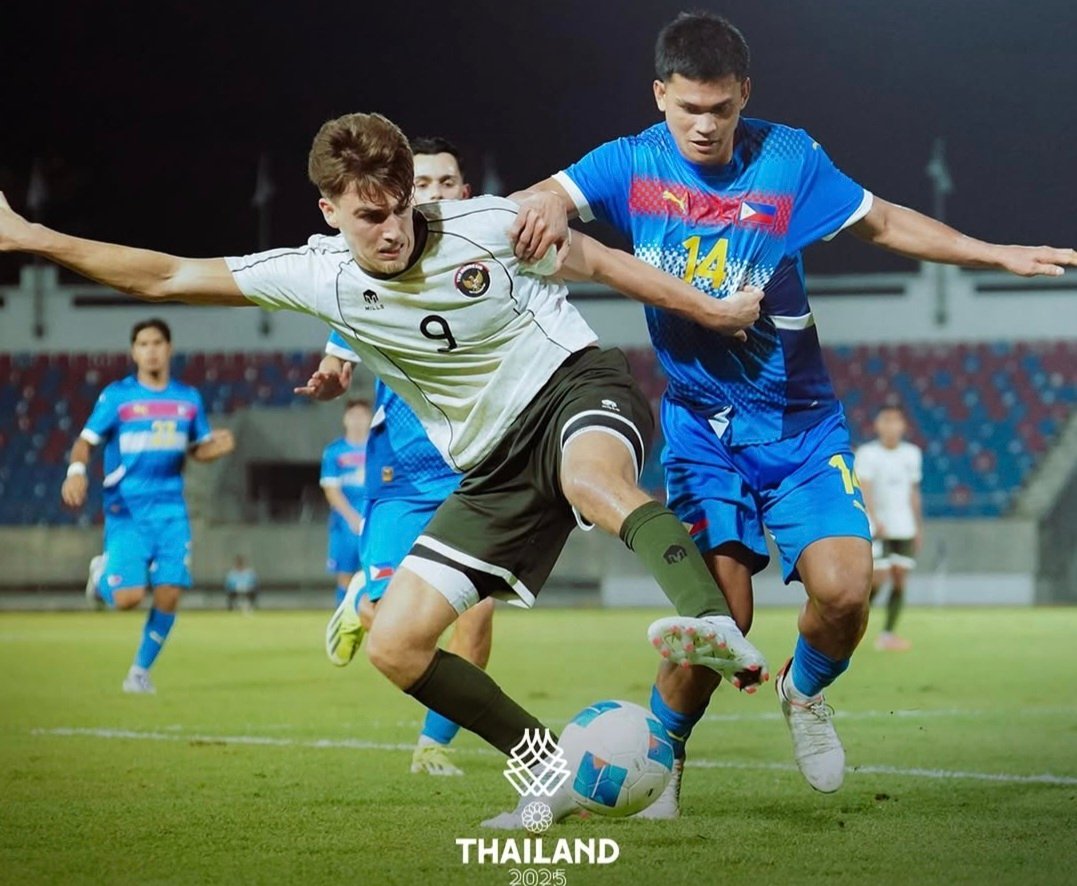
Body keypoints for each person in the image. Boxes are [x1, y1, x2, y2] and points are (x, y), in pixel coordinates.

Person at [0, 110, 769, 827]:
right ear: (330, 210)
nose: (394, 228)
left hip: (574, 386)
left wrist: (710, 310)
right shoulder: (317, 274)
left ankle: (706, 621)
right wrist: (35, 238)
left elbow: (600, 259)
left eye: (401, 206)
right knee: (394, 644)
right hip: (491, 463)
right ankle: (546, 769)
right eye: (371, 215)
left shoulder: (488, 224)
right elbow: (166, 277)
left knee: (591, 480)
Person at [509, 10, 1077, 808]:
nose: (704, 127)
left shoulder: (788, 157)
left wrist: (994, 252)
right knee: (721, 611)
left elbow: (880, 221)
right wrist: (538, 205)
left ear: (744, 93)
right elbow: (544, 197)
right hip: (703, 429)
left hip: (800, 424)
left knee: (847, 589)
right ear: (659, 94)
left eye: (721, 109)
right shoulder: (627, 163)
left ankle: (802, 695)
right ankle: (661, 756)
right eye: (688, 109)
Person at [308, 137, 495, 777]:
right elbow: (341, 339)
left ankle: (433, 747)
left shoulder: (489, 266)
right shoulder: (378, 272)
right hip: (404, 472)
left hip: (476, 474)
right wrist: (333, 367)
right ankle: (363, 594)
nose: (438, 193)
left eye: (449, 182)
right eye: (426, 184)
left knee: (477, 618)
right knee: (393, 621)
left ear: (466, 194)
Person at [61, 318, 235, 693]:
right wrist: (76, 471)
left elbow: (196, 449)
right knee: (127, 599)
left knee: (170, 592)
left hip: (171, 508)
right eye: (143, 343)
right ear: (133, 352)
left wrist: (214, 449)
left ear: (169, 348)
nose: (151, 349)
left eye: (157, 342)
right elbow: (84, 442)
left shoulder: (188, 399)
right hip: (128, 509)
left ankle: (138, 673)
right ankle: (102, 574)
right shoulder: (118, 397)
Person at [855, 404, 923, 651]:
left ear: (903, 426)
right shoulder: (868, 453)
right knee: (877, 579)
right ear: (878, 425)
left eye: (896, 420)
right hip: (878, 527)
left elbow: (913, 491)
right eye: (887, 420)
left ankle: (887, 634)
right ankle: (851, 624)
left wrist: (917, 526)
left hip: (903, 526)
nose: (891, 426)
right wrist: (874, 518)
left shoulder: (912, 454)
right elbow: (864, 487)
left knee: (900, 580)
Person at [320, 397, 372, 606]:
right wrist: (352, 518)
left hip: (374, 518)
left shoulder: (379, 449)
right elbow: (331, 489)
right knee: (345, 576)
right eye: (353, 415)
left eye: (362, 415)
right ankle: (344, 624)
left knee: (378, 573)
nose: (358, 420)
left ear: (370, 419)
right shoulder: (334, 451)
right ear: (345, 419)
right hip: (345, 523)